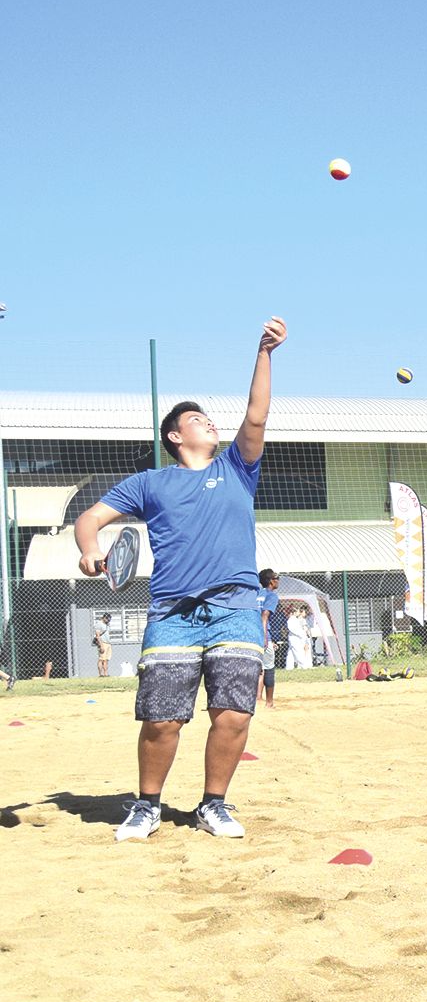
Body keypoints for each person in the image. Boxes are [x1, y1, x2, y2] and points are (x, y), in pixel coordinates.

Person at [71, 317, 287, 842]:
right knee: (162, 719)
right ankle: (147, 806)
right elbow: (89, 518)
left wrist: (265, 353)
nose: (210, 422)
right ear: (175, 435)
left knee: (233, 713)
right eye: (197, 418)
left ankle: (213, 805)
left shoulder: (238, 467)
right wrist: (89, 551)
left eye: (211, 417)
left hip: (235, 606)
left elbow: (255, 416)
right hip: (172, 613)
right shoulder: (150, 482)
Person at [257, 568, 282, 707]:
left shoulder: (255, 594)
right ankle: (269, 702)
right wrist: (265, 638)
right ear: (271, 581)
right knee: (269, 667)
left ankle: (257, 698)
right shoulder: (271, 595)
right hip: (262, 633)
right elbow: (264, 615)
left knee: (258, 668)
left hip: (250, 634)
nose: (278, 581)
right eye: (277, 578)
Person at [93, 613, 113, 678]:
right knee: (101, 659)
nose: (108, 621)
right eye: (107, 619)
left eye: (109, 620)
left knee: (106, 659)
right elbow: (97, 635)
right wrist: (101, 645)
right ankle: (100, 674)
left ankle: (106, 673)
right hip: (103, 643)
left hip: (108, 643)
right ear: (104, 618)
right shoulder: (99, 624)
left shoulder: (107, 624)